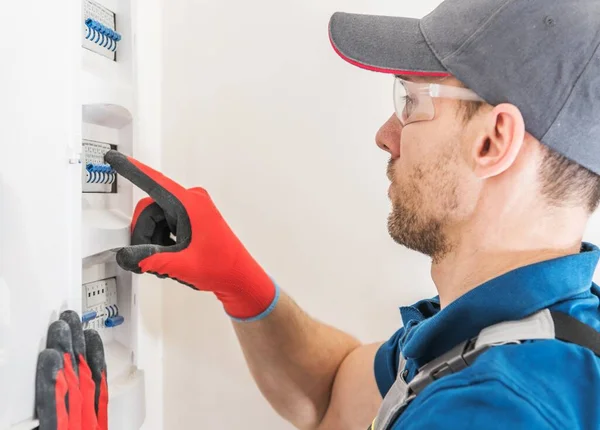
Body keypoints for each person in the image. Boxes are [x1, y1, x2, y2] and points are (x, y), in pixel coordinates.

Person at [105, 0, 600, 428]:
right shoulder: (543, 328)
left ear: (492, 142)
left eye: (411, 101)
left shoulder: (496, 411)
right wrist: (238, 280)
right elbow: (332, 396)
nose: (385, 135)